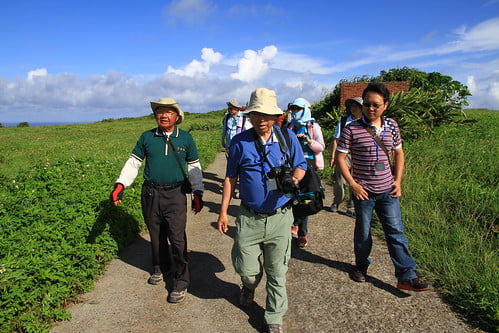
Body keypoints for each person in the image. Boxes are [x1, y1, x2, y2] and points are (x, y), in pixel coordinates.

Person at [217, 88, 307, 333]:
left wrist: (294, 181)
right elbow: (230, 178)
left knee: (277, 271)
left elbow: (301, 166)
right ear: (251, 114)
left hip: (280, 216)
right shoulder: (239, 142)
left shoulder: (288, 138)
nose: (262, 120)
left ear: (276, 116)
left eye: (268, 115)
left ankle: (274, 317)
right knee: (247, 269)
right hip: (248, 216)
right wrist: (223, 211)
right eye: (257, 114)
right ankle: (248, 285)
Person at [336, 82, 430, 291]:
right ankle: (361, 267)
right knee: (363, 234)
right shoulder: (351, 128)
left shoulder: (392, 126)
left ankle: (407, 275)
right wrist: (353, 184)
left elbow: (399, 153)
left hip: (388, 190)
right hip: (364, 193)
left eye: (376, 105)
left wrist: (398, 181)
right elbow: (340, 157)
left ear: (385, 105)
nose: (371, 108)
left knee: (396, 231)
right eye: (367, 104)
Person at [110, 97, 205, 303]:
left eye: (168, 112)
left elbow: (194, 167)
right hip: (151, 193)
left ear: (177, 116)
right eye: (159, 111)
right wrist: (120, 185)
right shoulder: (147, 137)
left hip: (176, 194)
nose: (163, 115)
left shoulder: (186, 138)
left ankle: (181, 280)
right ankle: (161, 267)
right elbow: (133, 163)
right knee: (156, 235)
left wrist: (197, 192)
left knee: (177, 238)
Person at [286, 98, 325, 247]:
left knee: (304, 198)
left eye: (298, 109)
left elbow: (321, 147)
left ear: (305, 109)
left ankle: (302, 232)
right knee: (291, 195)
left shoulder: (313, 126)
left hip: (308, 165)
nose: (295, 112)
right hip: (291, 164)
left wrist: (308, 141)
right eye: (293, 109)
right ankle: (294, 223)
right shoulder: (289, 126)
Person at [329, 97, 363, 217]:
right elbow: (336, 140)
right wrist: (333, 156)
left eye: (357, 106)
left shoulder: (366, 122)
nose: (354, 109)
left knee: (355, 180)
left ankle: (351, 206)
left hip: (359, 155)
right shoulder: (343, 121)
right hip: (343, 154)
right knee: (339, 180)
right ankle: (337, 201)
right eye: (352, 106)